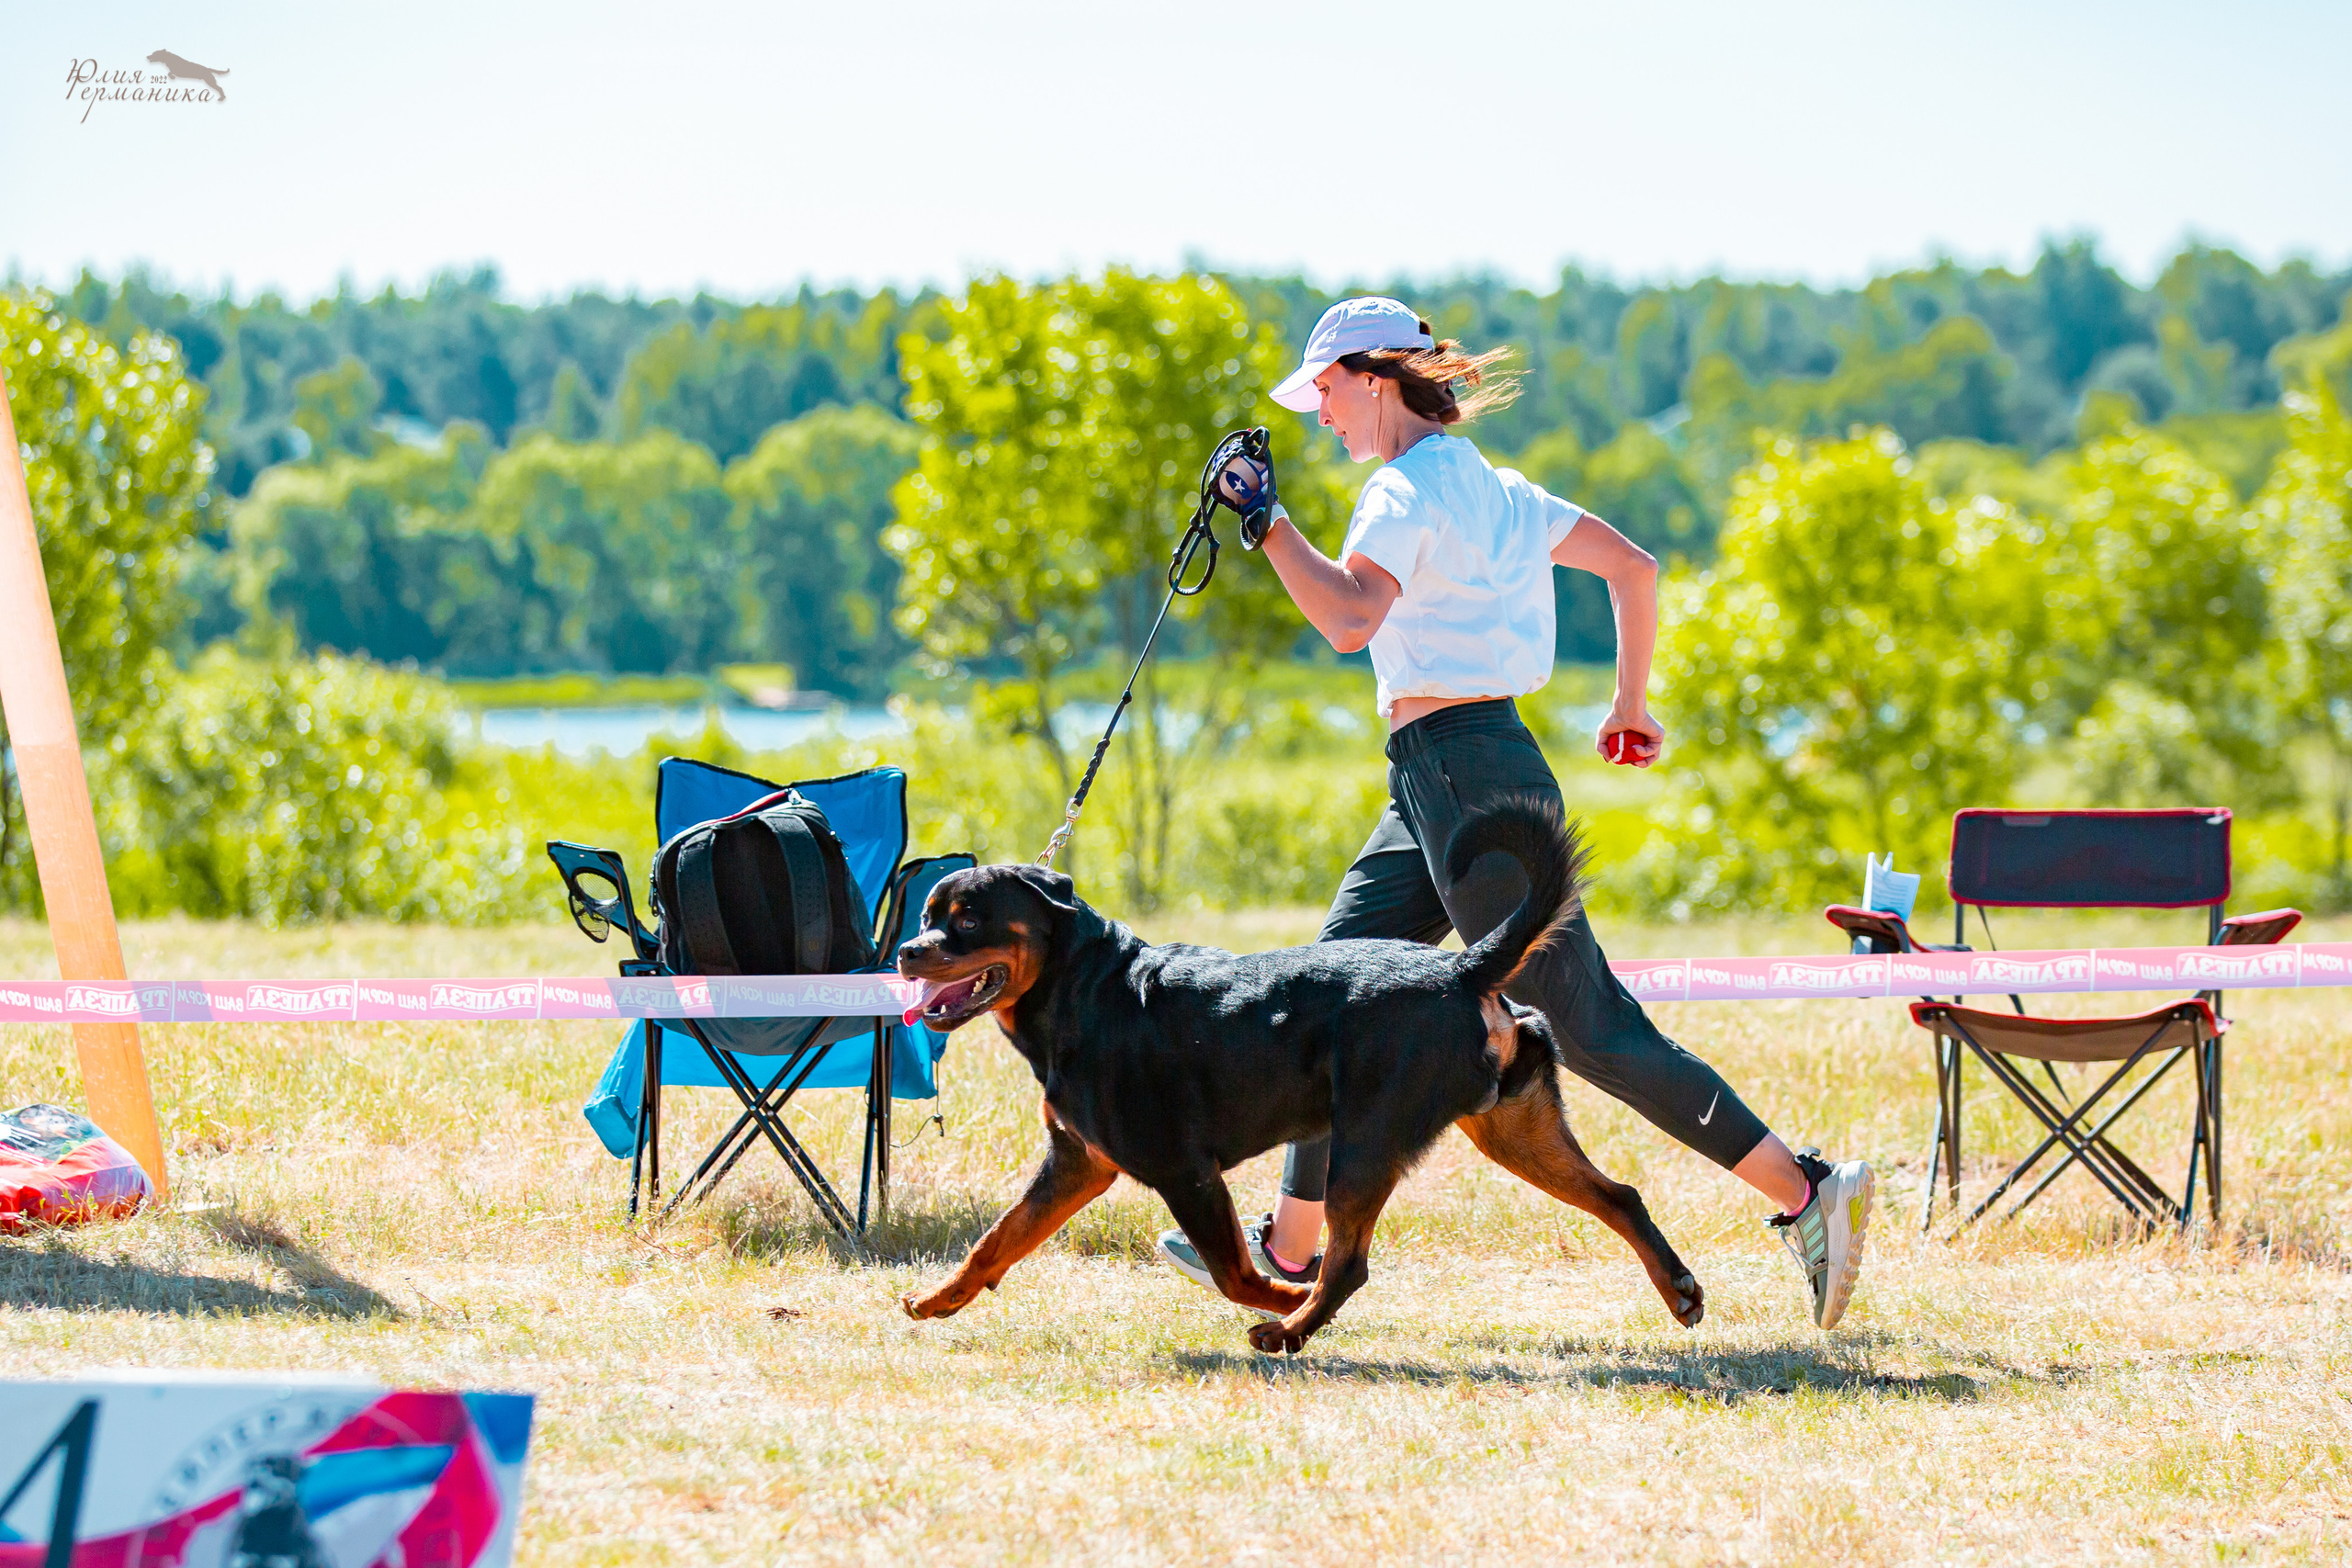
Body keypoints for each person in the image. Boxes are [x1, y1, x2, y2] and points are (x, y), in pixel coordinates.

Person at [1157, 297, 1874, 1328]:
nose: (1318, 416)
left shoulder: (1399, 492)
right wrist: (1628, 705)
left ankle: (1809, 1193)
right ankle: (1289, 1245)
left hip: (1462, 778)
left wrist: (1265, 521)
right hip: (1444, 776)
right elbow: (1636, 566)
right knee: (1326, 998)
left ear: (1370, 376)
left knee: (1594, 1030)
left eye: (1322, 390)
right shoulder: (1496, 489)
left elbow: (1349, 620)